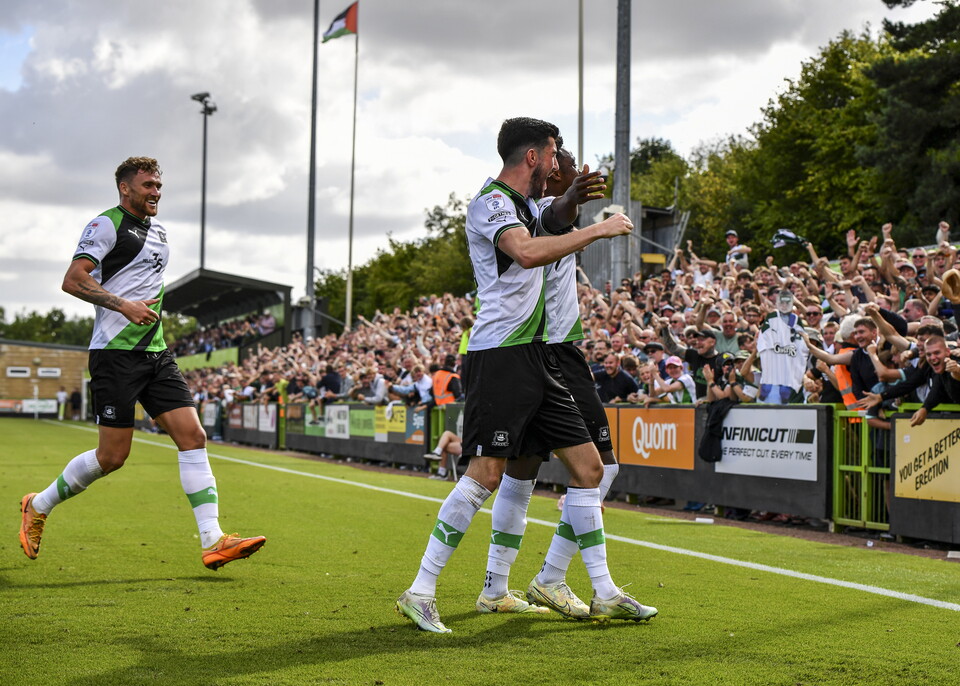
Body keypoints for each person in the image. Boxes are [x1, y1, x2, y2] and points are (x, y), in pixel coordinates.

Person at [396, 117, 650, 634]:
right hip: (501, 355)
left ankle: (601, 592)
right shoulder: (490, 203)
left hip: (537, 355)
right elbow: (528, 251)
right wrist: (599, 228)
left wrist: (575, 201)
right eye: (553, 154)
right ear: (533, 157)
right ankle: (420, 590)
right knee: (487, 475)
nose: (558, 163)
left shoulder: (530, 207)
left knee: (591, 470)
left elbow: (551, 217)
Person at [18, 157, 265, 570]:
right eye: (148, 185)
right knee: (112, 457)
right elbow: (73, 279)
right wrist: (122, 305)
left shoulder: (161, 231)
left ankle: (212, 539)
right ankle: (38, 505)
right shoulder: (105, 225)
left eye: (159, 186)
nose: (156, 192)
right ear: (124, 188)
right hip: (115, 354)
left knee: (193, 435)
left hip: (156, 351)